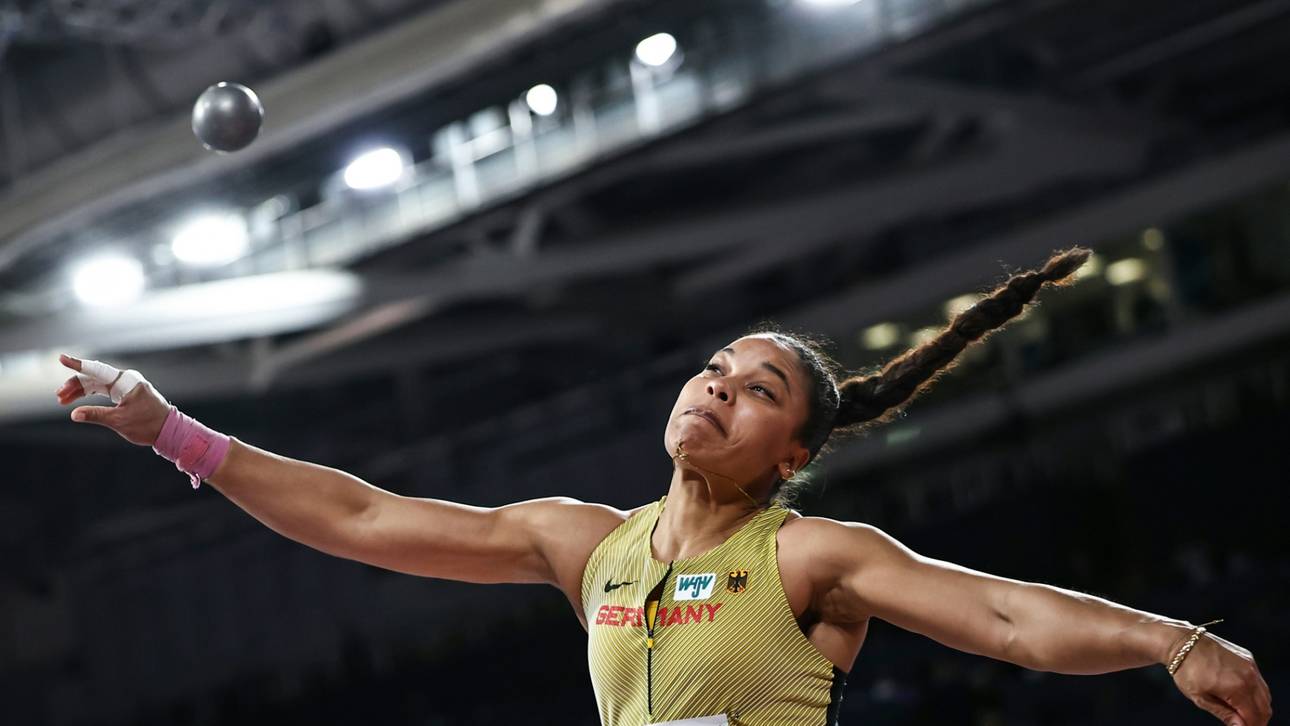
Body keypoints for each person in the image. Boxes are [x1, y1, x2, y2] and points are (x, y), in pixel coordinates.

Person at [54, 246, 1271, 726]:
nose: (715, 389)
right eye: (712, 368)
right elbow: (362, 516)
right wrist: (173, 432)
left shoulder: (811, 558)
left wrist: (1169, 642)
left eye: (755, 392)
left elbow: (1005, 616)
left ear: (791, 455)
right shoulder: (584, 547)